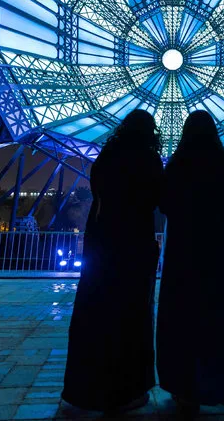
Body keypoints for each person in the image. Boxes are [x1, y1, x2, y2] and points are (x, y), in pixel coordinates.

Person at [156, 110, 224, 415]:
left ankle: (187, 387)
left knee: (186, 318)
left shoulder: (178, 163)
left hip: (186, 252)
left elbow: (164, 203)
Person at [62, 109, 163, 413]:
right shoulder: (148, 158)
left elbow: (98, 189)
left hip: (103, 238)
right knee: (132, 315)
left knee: (96, 310)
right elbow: (158, 197)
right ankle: (127, 389)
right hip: (134, 241)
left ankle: (86, 388)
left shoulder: (108, 154)